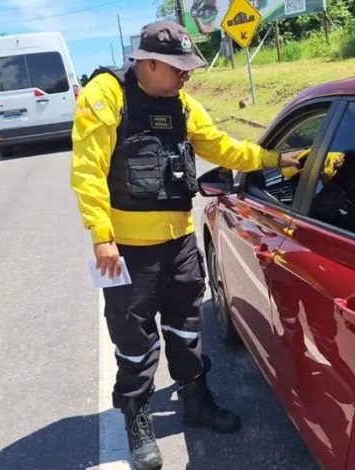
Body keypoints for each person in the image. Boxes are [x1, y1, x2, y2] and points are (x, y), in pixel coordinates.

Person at [70, 21, 300, 470]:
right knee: (133, 341)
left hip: (178, 244)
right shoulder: (106, 96)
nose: (186, 76)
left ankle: (196, 400)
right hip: (128, 252)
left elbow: (221, 147)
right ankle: (137, 420)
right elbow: (88, 171)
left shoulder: (183, 104)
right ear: (150, 63)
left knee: (187, 328)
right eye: (178, 69)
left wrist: (273, 160)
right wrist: (102, 237)